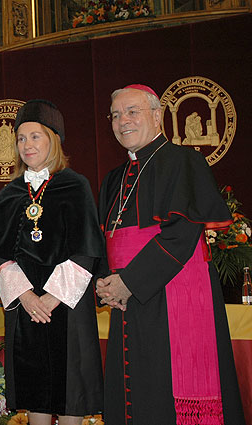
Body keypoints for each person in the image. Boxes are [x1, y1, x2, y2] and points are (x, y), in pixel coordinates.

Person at [96, 84, 245, 424]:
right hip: (124, 299)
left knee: (162, 389)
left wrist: (128, 282)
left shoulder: (184, 161)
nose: (123, 121)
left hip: (167, 291)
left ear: (156, 115)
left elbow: (181, 234)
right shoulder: (114, 179)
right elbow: (104, 239)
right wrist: (105, 283)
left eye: (132, 112)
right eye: (116, 115)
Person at [0, 100, 104, 425]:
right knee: (34, 389)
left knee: (70, 394)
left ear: (53, 139)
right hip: (26, 307)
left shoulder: (76, 185)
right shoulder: (11, 192)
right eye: (21, 138)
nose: (26, 145)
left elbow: (86, 249)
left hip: (67, 305)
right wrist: (27, 297)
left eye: (35, 136)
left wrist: (52, 298)